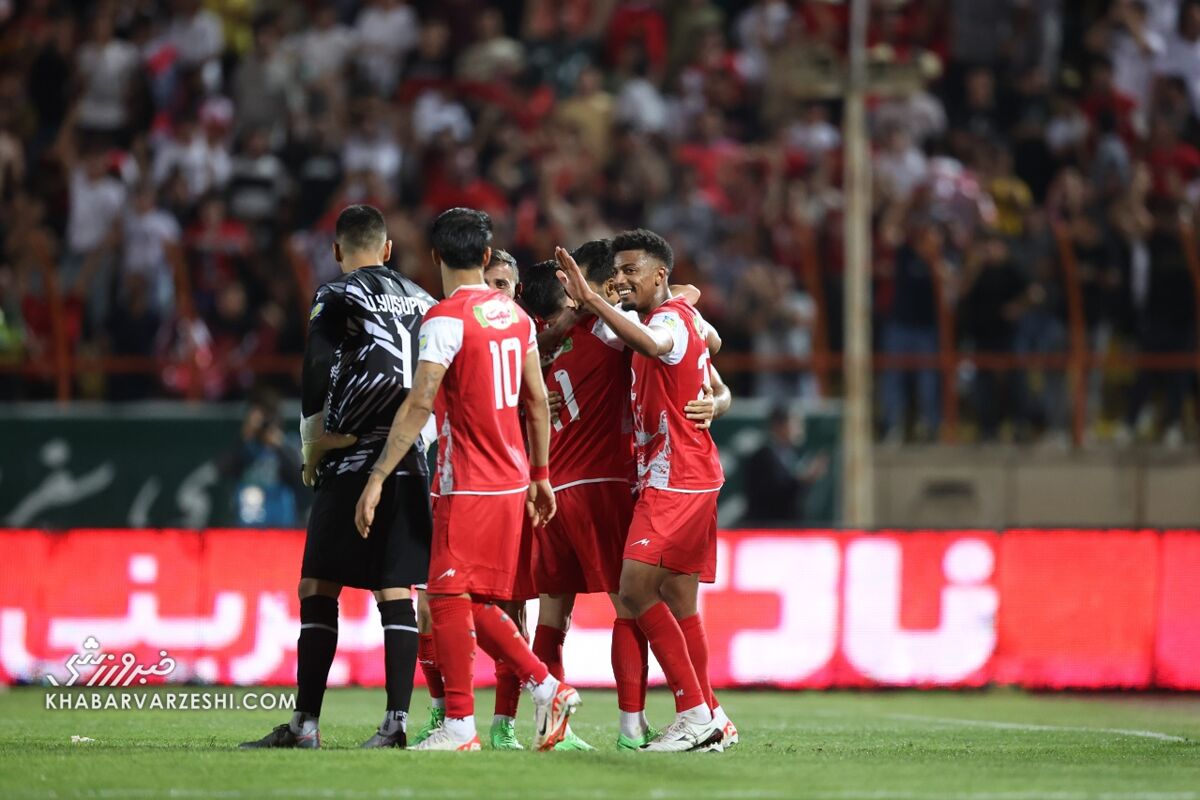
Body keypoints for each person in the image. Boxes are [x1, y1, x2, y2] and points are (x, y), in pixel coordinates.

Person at [355, 207, 579, 752]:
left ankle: (463, 723)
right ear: (485, 255)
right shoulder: (517, 317)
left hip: (468, 480)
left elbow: (420, 402)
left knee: (445, 593)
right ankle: (544, 688)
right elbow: (536, 401)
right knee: (465, 598)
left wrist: (378, 473)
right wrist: (541, 474)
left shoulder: (444, 318)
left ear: (435, 256)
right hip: (513, 479)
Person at [521, 243, 732, 749]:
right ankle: (644, 724)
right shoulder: (611, 332)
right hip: (609, 482)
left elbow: (691, 338)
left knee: (557, 611)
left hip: (559, 485)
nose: (618, 283)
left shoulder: (548, 344)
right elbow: (707, 339)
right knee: (635, 600)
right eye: (613, 275)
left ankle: (537, 727)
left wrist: (718, 398)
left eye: (626, 273)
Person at [240, 205, 435, 750]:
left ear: (336, 251)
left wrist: (311, 444)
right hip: (410, 456)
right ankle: (396, 723)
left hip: (353, 454)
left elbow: (316, 365)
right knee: (395, 588)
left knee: (318, 585)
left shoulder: (338, 293)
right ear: (388, 249)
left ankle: (305, 724)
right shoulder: (426, 301)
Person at [411, 245, 541, 750]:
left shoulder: (521, 332)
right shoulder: (471, 329)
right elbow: (432, 405)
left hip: (504, 487)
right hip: (469, 479)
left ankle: (502, 721)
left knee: (500, 605)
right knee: (438, 602)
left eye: (502, 285)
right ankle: (447, 712)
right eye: (488, 281)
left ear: (516, 290)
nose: (492, 292)